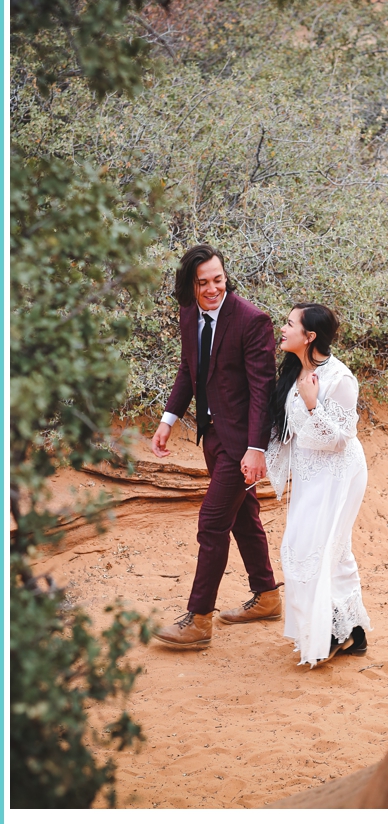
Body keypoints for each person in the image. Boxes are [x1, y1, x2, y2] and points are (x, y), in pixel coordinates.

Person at [150, 244, 281, 647]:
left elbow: (263, 390)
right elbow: (189, 370)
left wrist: (256, 448)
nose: (212, 289)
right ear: (191, 284)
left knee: (211, 523)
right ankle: (268, 595)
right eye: (203, 282)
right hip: (213, 437)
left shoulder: (251, 320)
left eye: (218, 280)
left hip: (242, 443)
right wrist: (167, 420)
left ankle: (200, 619)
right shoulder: (189, 314)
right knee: (243, 516)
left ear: (226, 276)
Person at [264, 303, 371, 666]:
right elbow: (285, 429)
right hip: (311, 474)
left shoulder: (340, 379)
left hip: (341, 474)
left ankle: (331, 632)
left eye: (289, 323)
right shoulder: (296, 369)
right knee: (318, 550)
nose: (283, 327)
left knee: (318, 550)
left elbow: (341, 439)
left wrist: (313, 406)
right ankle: (352, 633)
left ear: (309, 336)